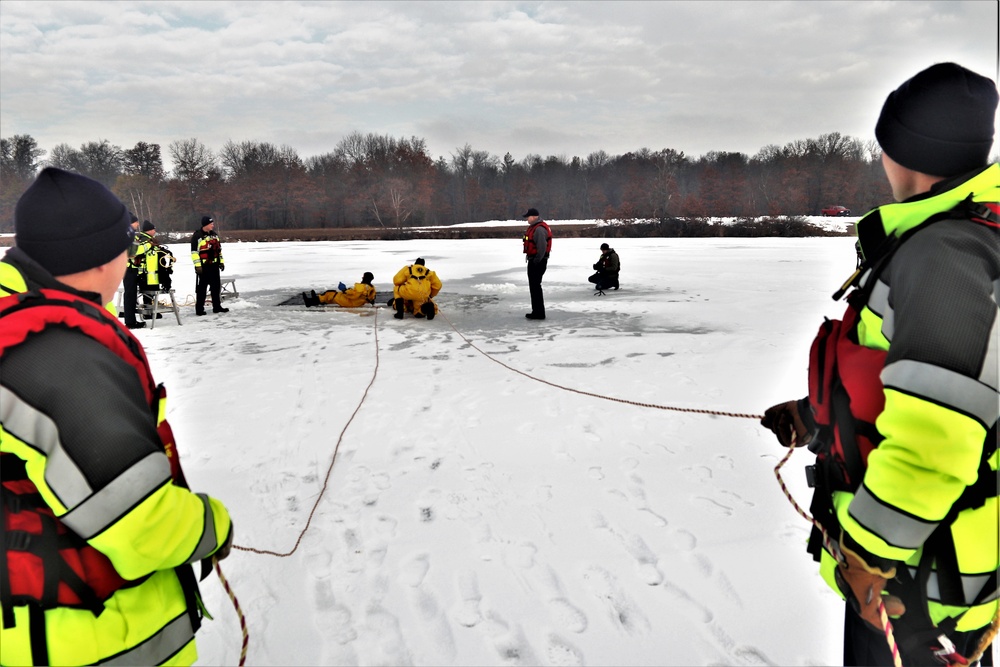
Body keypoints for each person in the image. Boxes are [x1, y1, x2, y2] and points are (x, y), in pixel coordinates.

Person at [761, 63, 998, 667]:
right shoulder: (947, 242)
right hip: (923, 576)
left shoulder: (946, 258)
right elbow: (915, 383)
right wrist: (813, 418)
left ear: (905, 154)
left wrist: (865, 557)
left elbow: (934, 443)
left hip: (909, 591)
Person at [0, 167, 234, 666]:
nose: (128, 259)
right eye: (124, 248)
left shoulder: (14, 317)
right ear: (101, 257)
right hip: (77, 637)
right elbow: (139, 523)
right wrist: (212, 526)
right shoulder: (56, 352)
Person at [190, 215, 228, 316]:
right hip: (204, 266)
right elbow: (194, 252)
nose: (213, 225)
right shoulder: (197, 236)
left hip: (214, 265)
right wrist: (198, 266)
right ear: (206, 225)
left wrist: (221, 262)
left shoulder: (214, 235)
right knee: (202, 289)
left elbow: (219, 250)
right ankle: (199, 309)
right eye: (211, 224)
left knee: (216, 287)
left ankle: (217, 306)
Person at [522, 207, 551, 320]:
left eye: (528, 217)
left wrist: (537, 260)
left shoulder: (539, 229)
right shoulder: (535, 227)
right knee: (534, 287)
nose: (527, 219)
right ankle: (537, 311)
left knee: (535, 287)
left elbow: (542, 247)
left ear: (534, 217)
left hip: (537, 261)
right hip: (534, 260)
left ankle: (539, 313)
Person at [303, 271, 377, 308]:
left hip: (350, 302)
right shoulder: (371, 287)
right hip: (356, 302)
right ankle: (316, 299)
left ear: (365, 278)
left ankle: (310, 302)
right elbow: (371, 298)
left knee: (331, 294)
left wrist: (344, 290)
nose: (362, 278)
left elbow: (354, 295)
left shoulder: (361, 287)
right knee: (331, 294)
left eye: (363, 277)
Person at [121, 213, 144, 329]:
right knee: (130, 295)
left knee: (132, 294)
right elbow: (132, 253)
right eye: (136, 222)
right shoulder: (129, 235)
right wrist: (146, 247)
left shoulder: (127, 234)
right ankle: (130, 322)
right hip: (129, 269)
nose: (138, 224)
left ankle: (131, 319)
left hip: (129, 268)